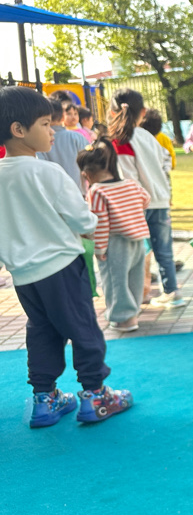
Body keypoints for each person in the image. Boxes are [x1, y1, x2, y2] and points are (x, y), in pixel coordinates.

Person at [0, 86, 133, 427]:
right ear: (18, 129)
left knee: (41, 331)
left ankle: (44, 399)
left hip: (24, 276)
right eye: (46, 124)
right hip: (61, 267)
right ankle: (95, 394)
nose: (53, 131)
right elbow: (83, 221)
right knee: (82, 328)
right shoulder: (47, 172)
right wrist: (89, 221)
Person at [108, 89, 185, 309]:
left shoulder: (120, 140)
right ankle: (172, 292)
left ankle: (136, 295)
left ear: (113, 112)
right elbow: (166, 160)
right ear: (142, 112)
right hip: (159, 200)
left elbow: (128, 178)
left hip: (137, 205)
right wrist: (159, 180)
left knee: (136, 253)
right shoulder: (147, 137)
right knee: (163, 251)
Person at [77, 139, 151, 333]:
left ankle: (123, 318)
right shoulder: (130, 184)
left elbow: (100, 223)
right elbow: (146, 199)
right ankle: (133, 313)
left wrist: (99, 249)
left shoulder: (97, 191)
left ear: (86, 174)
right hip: (137, 241)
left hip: (114, 243)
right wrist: (130, 213)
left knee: (115, 281)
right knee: (134, 278)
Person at [37, 97, 87, 189]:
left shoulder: (38, 142)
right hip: (78, 191)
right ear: (63, 117)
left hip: (51, 192)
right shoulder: (77, 137)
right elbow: (89, 163)